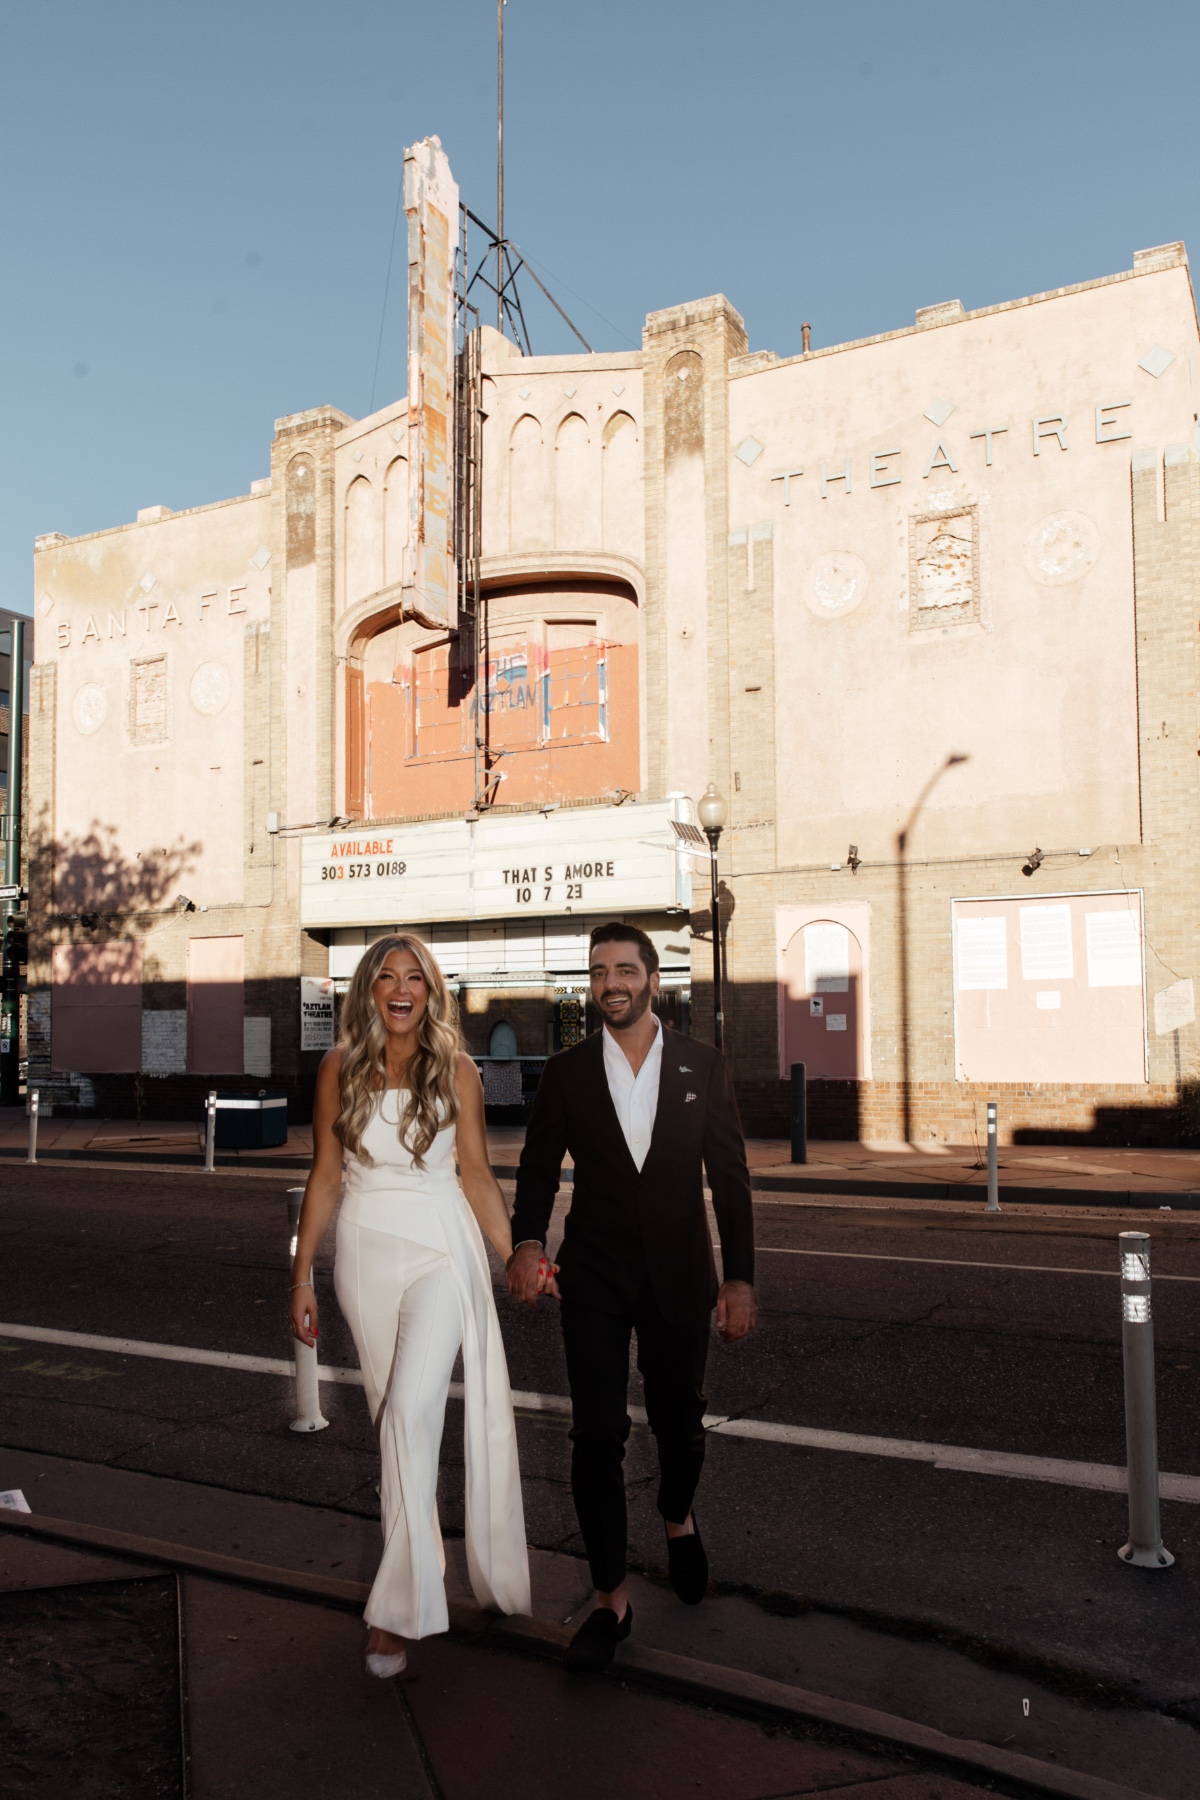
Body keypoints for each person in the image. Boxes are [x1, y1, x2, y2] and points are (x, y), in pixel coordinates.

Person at [507, 921, 756, 1674]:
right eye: (597, 971)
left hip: (682, 1275)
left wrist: (740, 1277)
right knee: (596, 1435)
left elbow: (733, 1178)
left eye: (623, 968)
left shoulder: (702, 1065)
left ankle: (677, 1517)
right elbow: (538, 1168)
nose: (610, 982)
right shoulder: (567, 1071)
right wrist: (527, 1243)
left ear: (652, 977)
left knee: (681, 1424)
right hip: (596, 1276)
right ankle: (610, 1595)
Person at [289, 934, 531, 1677]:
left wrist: (517, 1250)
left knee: (408, 1414)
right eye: (387, 977)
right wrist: (302, 1275)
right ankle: (419, 1579)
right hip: (363, 1255)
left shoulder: (458, 1070)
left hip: (439, 1252)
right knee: (398, 1430)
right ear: (368, 990)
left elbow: (478, 1177)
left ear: (430, 991)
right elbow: (326, 1175)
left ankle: (394, 1616)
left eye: (414, 978)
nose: (401, 989)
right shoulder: (337, 1069)